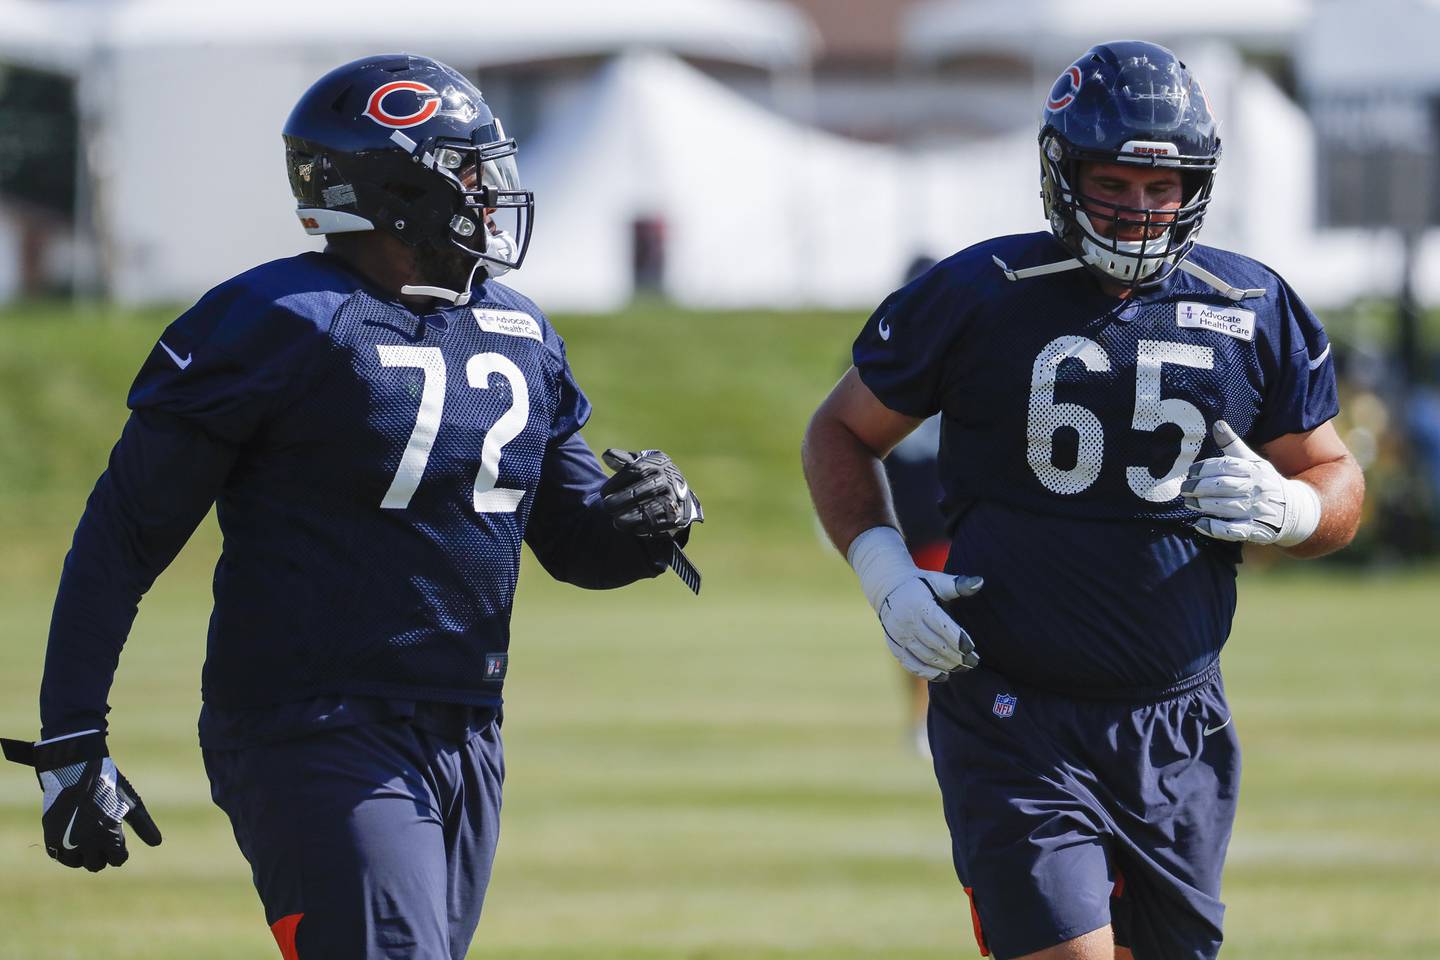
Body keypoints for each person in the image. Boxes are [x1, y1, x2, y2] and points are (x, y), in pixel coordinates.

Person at [1, 54, 702, 960]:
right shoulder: (280, 319)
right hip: (311, 725)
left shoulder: (520, 329)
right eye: (470, 171)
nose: (493, 195)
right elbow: (124, 534)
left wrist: (646, 522)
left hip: (464, 728)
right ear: (398, 188)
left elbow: (574, 542)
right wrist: (71, 736)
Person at [803, 40, 1363, 960]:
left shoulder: (1250, 304)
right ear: (1064, 175)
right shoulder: (980, 290)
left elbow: (1337, 475)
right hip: (1014, 711)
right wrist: (882, 566)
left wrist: (1294, 510)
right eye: (1115, 183)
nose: (1141, 210)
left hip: (1178, 717)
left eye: (1162, 186)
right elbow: (841, 432)